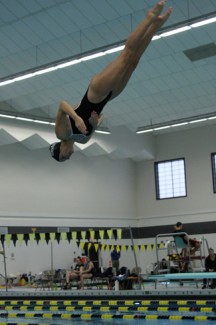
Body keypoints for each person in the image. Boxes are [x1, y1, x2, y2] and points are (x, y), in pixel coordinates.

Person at [49, 0, 172, 162]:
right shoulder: (84, 141)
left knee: (126, 56)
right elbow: (97, 121)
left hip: (95, 93)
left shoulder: (61, 133)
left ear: (60, 149)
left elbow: (62, 105)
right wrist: (95, 123)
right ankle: (155, 26)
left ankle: (149, 18)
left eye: (64, 156)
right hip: (108, 98)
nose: (69, 156)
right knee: (133, 62)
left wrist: (77, 118)